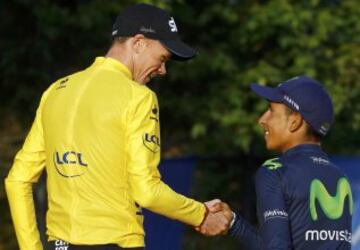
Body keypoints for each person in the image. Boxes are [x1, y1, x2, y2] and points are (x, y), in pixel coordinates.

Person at [5, 3, 231, 250]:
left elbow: (17, 180)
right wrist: (200, 214)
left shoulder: (55, 91)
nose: (163, 70)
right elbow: (146, 191)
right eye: (163, 57)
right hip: (116, 242)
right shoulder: (138, 97)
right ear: (139, 43)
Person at [208, 76, 353, 249]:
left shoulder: (275, 170)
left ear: (295, 121)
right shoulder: (339, 176)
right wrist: (234, 223)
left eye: (271, 110)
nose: (262, 119)